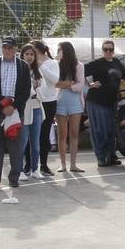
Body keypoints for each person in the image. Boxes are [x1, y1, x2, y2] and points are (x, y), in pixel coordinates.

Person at [0, 37, 32, 194]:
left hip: (16, 112)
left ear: (16, 49)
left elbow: (25, 90)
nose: (7, 50)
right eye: (5, 47)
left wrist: (14, 106)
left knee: (15, 146)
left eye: (10, 48)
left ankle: (14, 178)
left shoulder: (23, 67)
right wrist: (2, 106)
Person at [84, 39, 125, 167]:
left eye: (110, 49)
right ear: (102, 50)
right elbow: (79, 71)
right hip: (96, 101)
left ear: (114, 50)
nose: (108, 52)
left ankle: (111, 156)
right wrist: (89, 84)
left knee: (111, 130)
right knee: (100, 130)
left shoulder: (117, 62)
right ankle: (101, 157)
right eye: (105, 50)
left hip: (112, 102)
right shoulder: (97, 63)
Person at [54, 40, 86, 173]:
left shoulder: (79, 65)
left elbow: (80, 86)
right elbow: (55, 84)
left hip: (75, 102)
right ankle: (63, 164)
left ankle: (73, 164)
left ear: (66, 51)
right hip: (60, 101)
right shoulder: (56, 65)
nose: (57, 52)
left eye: (59, 50)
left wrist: (66, 84)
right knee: (62, 134)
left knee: (74, 133)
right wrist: (69, 83)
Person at [32, 39, 58, 176]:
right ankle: (31, 165)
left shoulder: (52, 63)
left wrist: (41, 66)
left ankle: (44, 164)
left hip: (49, 102)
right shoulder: (32, 64)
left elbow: (55, 80)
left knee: (44, 133)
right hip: (35, 102)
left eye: (33, 51)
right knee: (32, 134)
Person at [20, 45, 45, 179]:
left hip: (37, 108)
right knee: (23, 140)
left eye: (31, 54)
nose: (29, 56)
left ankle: (35, 169)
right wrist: (32, 88)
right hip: (24, 108)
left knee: (35, 142)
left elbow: (42, 90)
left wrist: (36, 89)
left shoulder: (38, 71)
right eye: (26, 54)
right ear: (22, 55)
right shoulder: (19, 70)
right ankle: (19, 170)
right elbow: (23, 90)